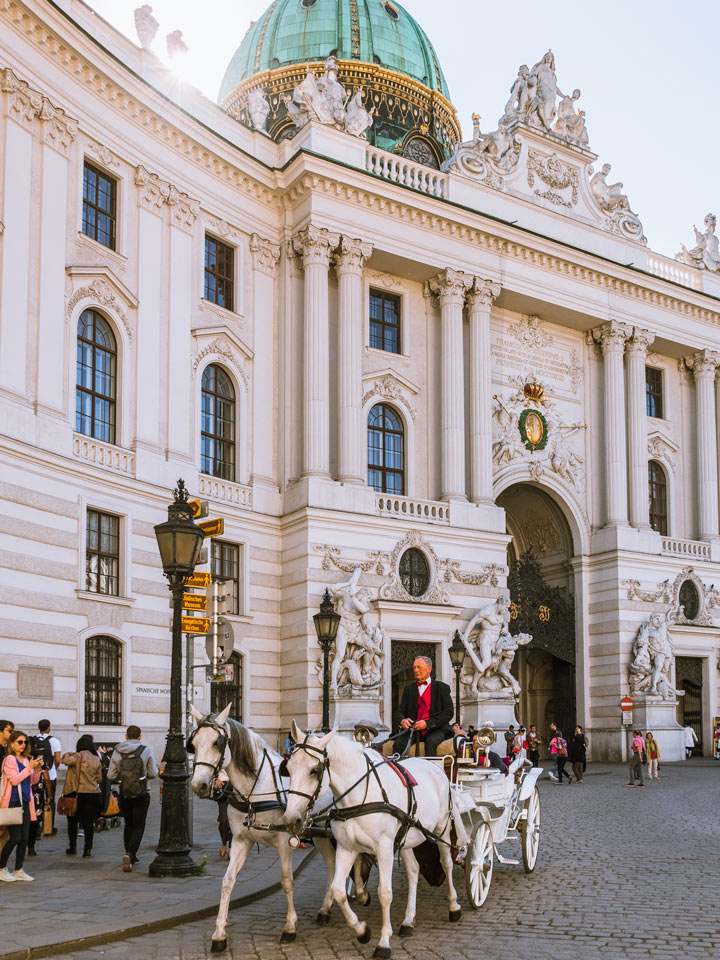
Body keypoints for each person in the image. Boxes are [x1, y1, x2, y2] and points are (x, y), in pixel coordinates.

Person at [107, 725, 157, 872]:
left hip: (124, 792)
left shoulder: (117, 752)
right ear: (140, 736)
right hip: (142, 792)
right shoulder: (146, 750)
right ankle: (131, 852)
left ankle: (129, 853)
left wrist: (123, 778)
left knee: (128, 823)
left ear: (126, 736)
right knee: (139, 824)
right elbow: (153, 773)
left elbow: (111, 775)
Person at [0, 730, 42, 881]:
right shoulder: (9, 759)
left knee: (24, 838)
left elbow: (32, 782)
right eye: (19, 742)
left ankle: (18, 869)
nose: (23, 745)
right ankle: (2, 867)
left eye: (25, 742)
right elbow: (15, 780)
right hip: (12, 801)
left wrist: (37, 769)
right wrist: (29, 767)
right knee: (15, 838)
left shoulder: (25, 760)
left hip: (25, 801)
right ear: (12, 743)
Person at [393, 656, 454, 757]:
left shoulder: (442, 688)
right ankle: (399, 771)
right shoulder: (408, 689)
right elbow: (399, 712)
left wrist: (427, 723)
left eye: (419, 667)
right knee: (398, 744)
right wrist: (402, 721)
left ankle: (431, 772)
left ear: (429, 669)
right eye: (414, 667)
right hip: (413, 730)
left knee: (431, 742)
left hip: (436, 729)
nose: (415, 670)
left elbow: (449, 712)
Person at [61, 735, 103, 857]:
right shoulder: (96, 758)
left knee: (72, 821)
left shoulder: (76, 757)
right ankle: (87, 849)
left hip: (75, 793)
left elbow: (65, 760)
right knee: (89, 823)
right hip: (93, 793)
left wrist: (69, 753)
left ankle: (72, 847)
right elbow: (99, 778)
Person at [32, 719, 61, 832]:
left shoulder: (34, 739)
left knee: (37, 799)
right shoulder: (54, 741)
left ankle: (36, 827)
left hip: (36, 775)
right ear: (49, 727)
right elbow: (57, 759)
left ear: (39, 727)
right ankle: (49, 827)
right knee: (50, 799)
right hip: (50, 774)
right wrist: (53, 768)